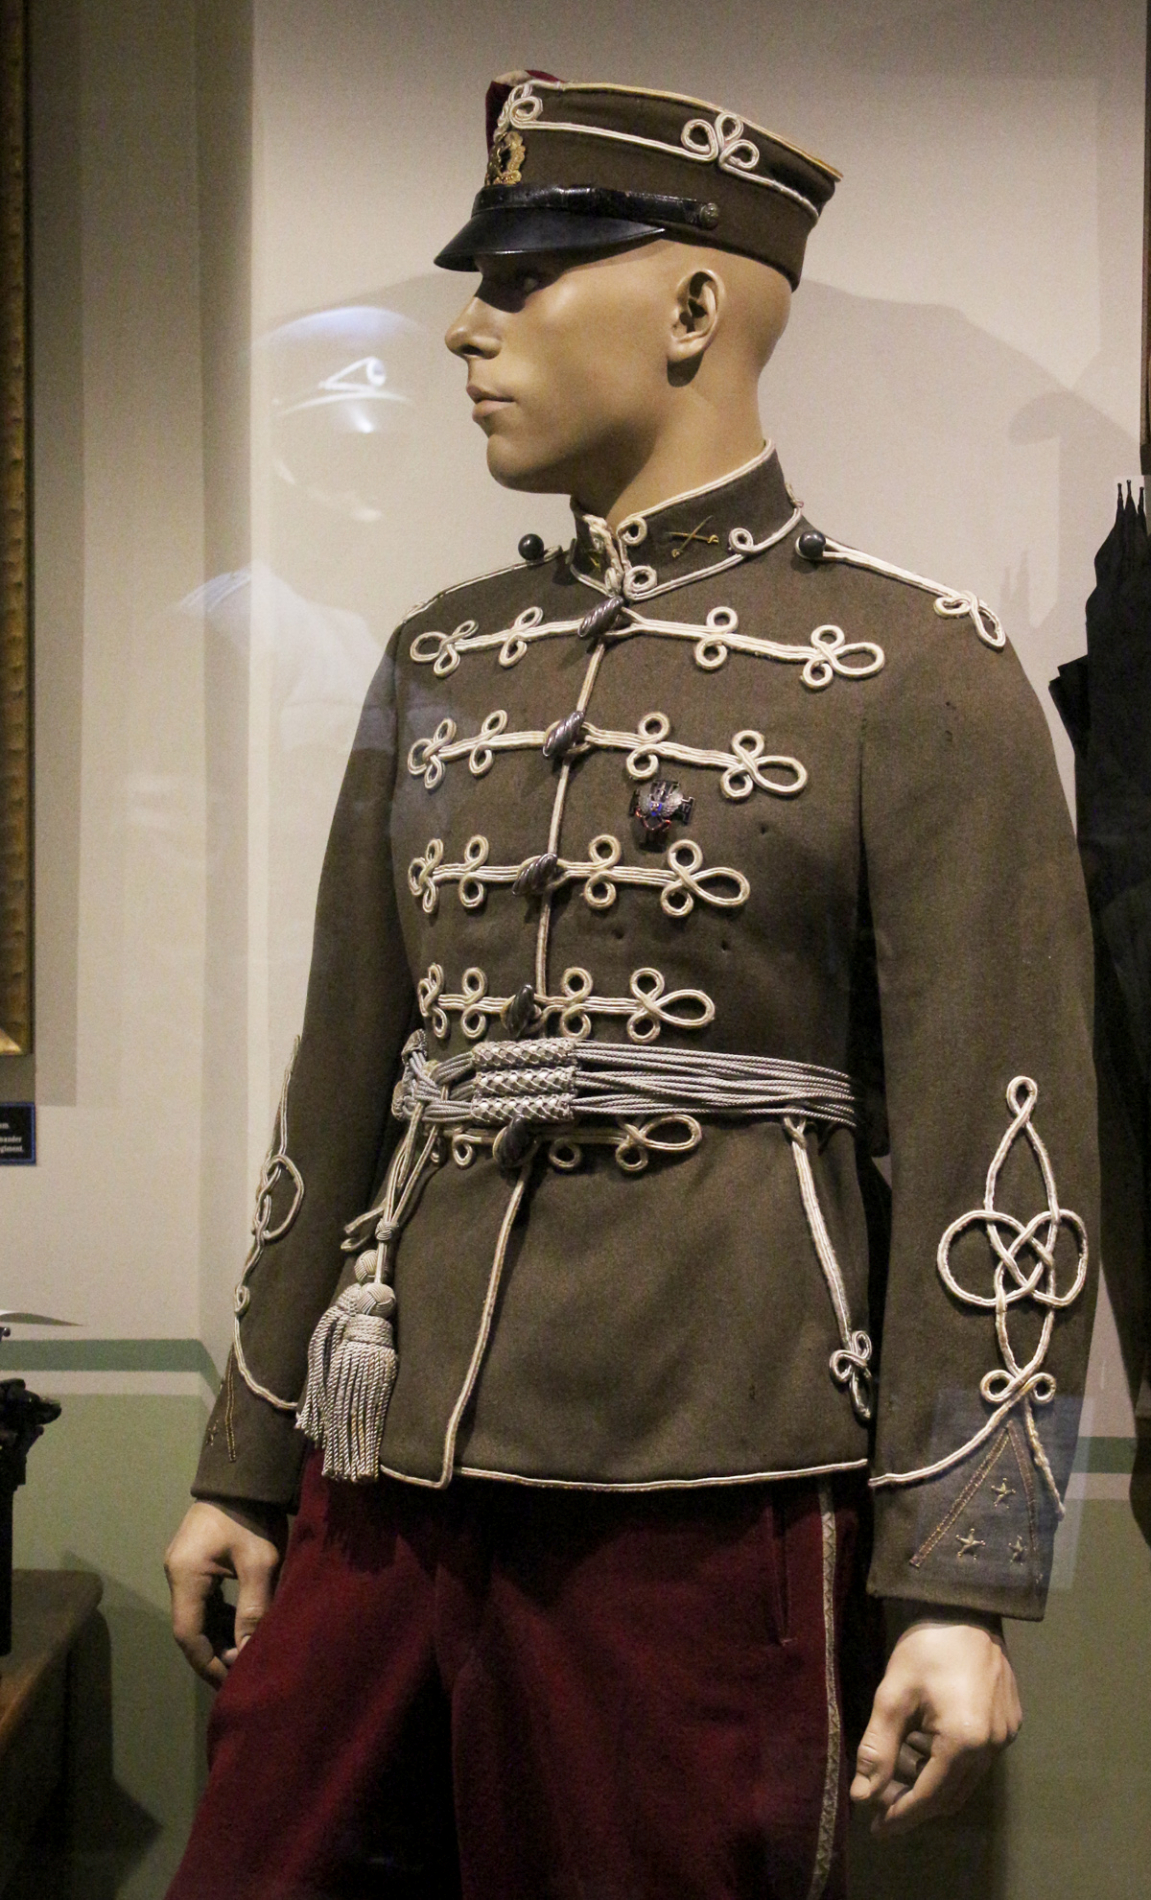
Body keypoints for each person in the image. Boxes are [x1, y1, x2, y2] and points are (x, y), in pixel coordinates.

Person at [164, 73, 1098, 1900]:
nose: (469, 327)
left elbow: (1008, 1159)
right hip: (388, 1469)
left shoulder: (915, 669)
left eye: (522, 278)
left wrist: (962, 1583)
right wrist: (248, 1460)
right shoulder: (444, 659)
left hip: (713, 1473)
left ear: (691, 307)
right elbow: (338, 1086)